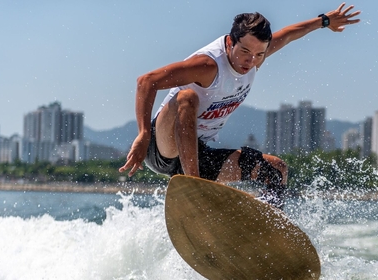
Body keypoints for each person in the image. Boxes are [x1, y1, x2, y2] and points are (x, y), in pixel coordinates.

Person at [119, 3, 361, 208]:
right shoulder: (208, 65)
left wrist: (325, 21)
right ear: (229, 42)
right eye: (244, 51)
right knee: (187, 97)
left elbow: (288, 34)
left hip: (198, 153)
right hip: (164, 149)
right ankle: (195, 190)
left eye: (258, 54)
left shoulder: (257, 55)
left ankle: (269, 227)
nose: (251, 60)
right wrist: (143, 134)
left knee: (276, 170)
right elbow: (146, 81)